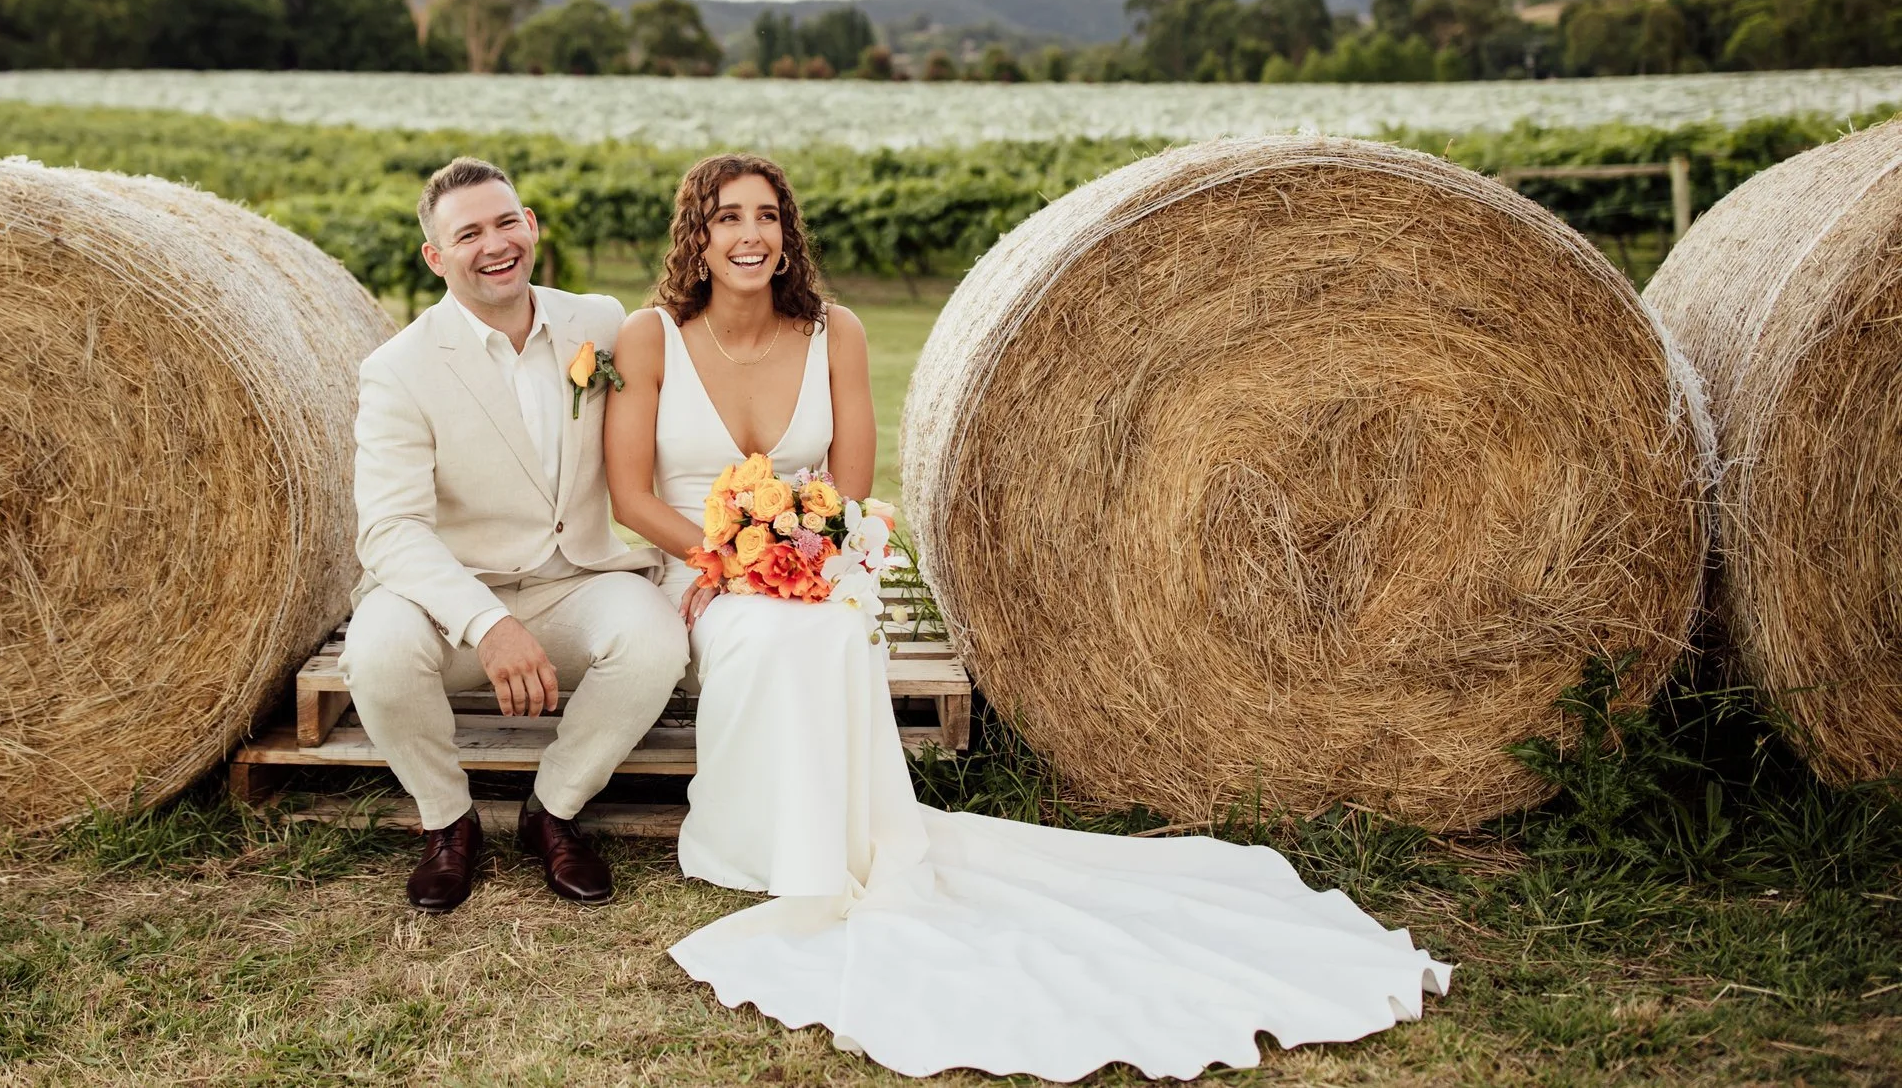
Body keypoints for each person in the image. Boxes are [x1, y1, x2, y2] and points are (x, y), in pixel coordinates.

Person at [605, 153, 1449, 1081]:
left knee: (830, 628)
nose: (751, 235)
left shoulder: (833, 331)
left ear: (788, 232)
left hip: (815, 564)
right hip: (701, 573)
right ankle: (761, 837)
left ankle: (833, 847)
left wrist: (808, 557)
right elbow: (629, 494)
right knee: (768, 634)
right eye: (729, 218)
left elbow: (849, 485)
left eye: (768, 216)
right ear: (699, 234)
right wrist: (725, 560)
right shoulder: (650, 339)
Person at [343, 156, 687, 914]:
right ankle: (448, 822)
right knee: (375, 652)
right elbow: (391, 528)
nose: (494, 243)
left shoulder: (598, 321)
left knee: (655, 639)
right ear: (436, 257)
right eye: (468, 233)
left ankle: (553, 810)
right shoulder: (396, 370)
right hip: (454, 598)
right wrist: (486, 621)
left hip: (577, 577)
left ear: (530, 226)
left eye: (506, 222)